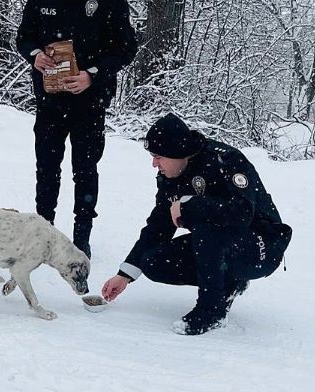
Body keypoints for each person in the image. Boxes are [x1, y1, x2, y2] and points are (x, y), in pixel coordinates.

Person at [101, 113, 292, 335]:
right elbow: (158, 226)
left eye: (158, 156)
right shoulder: (170, 176)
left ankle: (212, 310)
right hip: (217, 245)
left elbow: (242, 213)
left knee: (206, 223)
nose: (154, 164)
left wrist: (189, 206)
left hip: (261, 247)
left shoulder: (226, 160)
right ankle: (227, 283)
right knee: (153, 262)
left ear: (177, 153)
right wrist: (125, 274)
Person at [16, 0, 137, 258]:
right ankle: (43, 233)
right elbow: (24, 37)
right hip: (50, 100)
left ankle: (81, 237)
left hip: (90, 101)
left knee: (85, 169)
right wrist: (35, 54)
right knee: (47, 167)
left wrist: (92, 75)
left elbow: (126, 48)